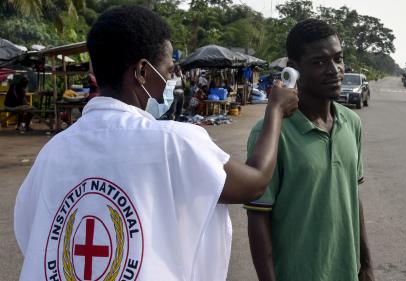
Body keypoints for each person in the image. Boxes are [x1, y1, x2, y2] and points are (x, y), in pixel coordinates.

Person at [14, 6, 298, 281]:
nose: (172, 80)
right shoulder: (174, 142)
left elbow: (35, 237)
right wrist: (274, 110)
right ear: (142, 72)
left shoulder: (53, 151)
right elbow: (255, 182)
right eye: (168, 70)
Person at [245, 19, 374, 281]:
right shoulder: (270, 133)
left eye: (338, 59)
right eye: (319, 62)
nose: (334, 70)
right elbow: (258, 218)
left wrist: (367, 266)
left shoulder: (352, 123)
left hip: (347, 272)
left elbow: (352, 195)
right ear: (294, 70)